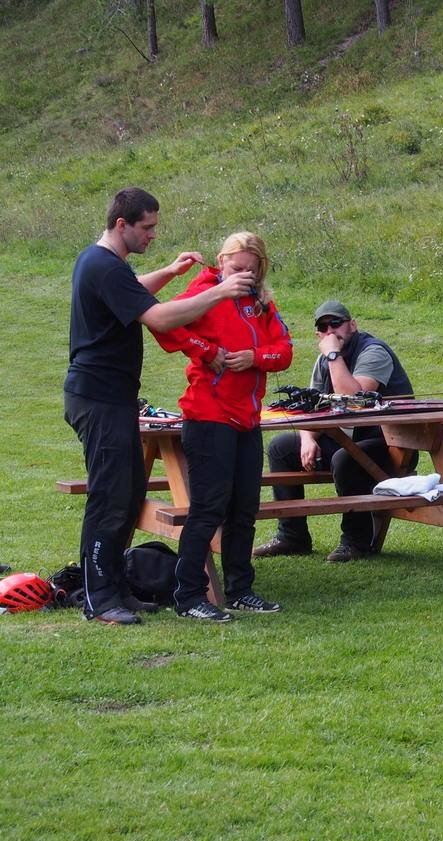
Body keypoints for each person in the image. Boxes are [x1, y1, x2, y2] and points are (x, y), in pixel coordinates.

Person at [64, 187, 257, 626]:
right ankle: (98, 598)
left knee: (129, 493)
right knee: (110, 497)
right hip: (97, 399)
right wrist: (220, 292)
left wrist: (170, 272)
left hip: (114, 399)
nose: (153, 234)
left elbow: (132, 292)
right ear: (122, 225)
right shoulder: (102, 265)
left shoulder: (105, 265)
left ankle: (117, 588)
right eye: (147, 227)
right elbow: (159, 318)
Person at [151, 232, 293, 622]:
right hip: (208, 414)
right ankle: (188, 595)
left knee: (244, 507)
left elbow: (284, 351)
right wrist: (207, 351)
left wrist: (254, 357)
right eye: (236, 268)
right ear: (221, 262)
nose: (243, 276)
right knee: (208, 508)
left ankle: (240, 590)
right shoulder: (205, 290)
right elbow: (163, 324)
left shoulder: (261, 302)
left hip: (248, 417)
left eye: (251, 270)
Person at [253, 301, 415, 563]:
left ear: (353, 325)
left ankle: (356, 541)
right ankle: (292, 536)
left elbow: (353, 400)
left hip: (391, 447)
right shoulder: (325, 360)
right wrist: (308, 438)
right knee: (281, 447)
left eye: (336, 323)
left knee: (346, 459)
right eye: (323, 327)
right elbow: (311, 406)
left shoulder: (373, 352)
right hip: (349, 441)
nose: (330, 331)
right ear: (318, 334)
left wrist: (332, 355)